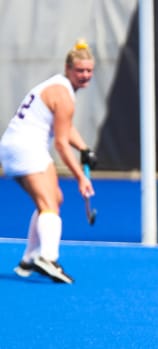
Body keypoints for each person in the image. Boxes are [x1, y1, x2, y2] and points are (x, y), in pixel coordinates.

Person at [0, 39, 98, 284]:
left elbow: (65, 127)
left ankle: (29, 259)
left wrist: (84, 148)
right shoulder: (63, 95)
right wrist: (81, 177)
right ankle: (48, 258)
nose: (85, 75)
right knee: (48, 203)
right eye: (80, 71)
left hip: (16, 146)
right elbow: (61, 143)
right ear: (68, 69)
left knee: (53, 199)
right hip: (27, 148)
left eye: (89, 71)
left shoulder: (57, 86)